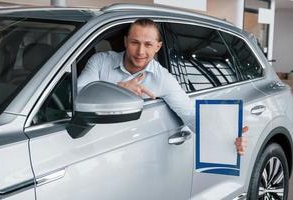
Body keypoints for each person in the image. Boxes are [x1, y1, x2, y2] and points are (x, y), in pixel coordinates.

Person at [78, 18, 247, 155]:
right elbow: (78, 96)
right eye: (134, 42)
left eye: (148, 44)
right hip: (91, 143)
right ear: (125, 41)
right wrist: (120, 89)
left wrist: (228, 136)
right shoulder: (100, 61)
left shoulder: (162, 78)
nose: (140, 52)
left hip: (134, 151)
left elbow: (189, 114)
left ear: (158, 47)